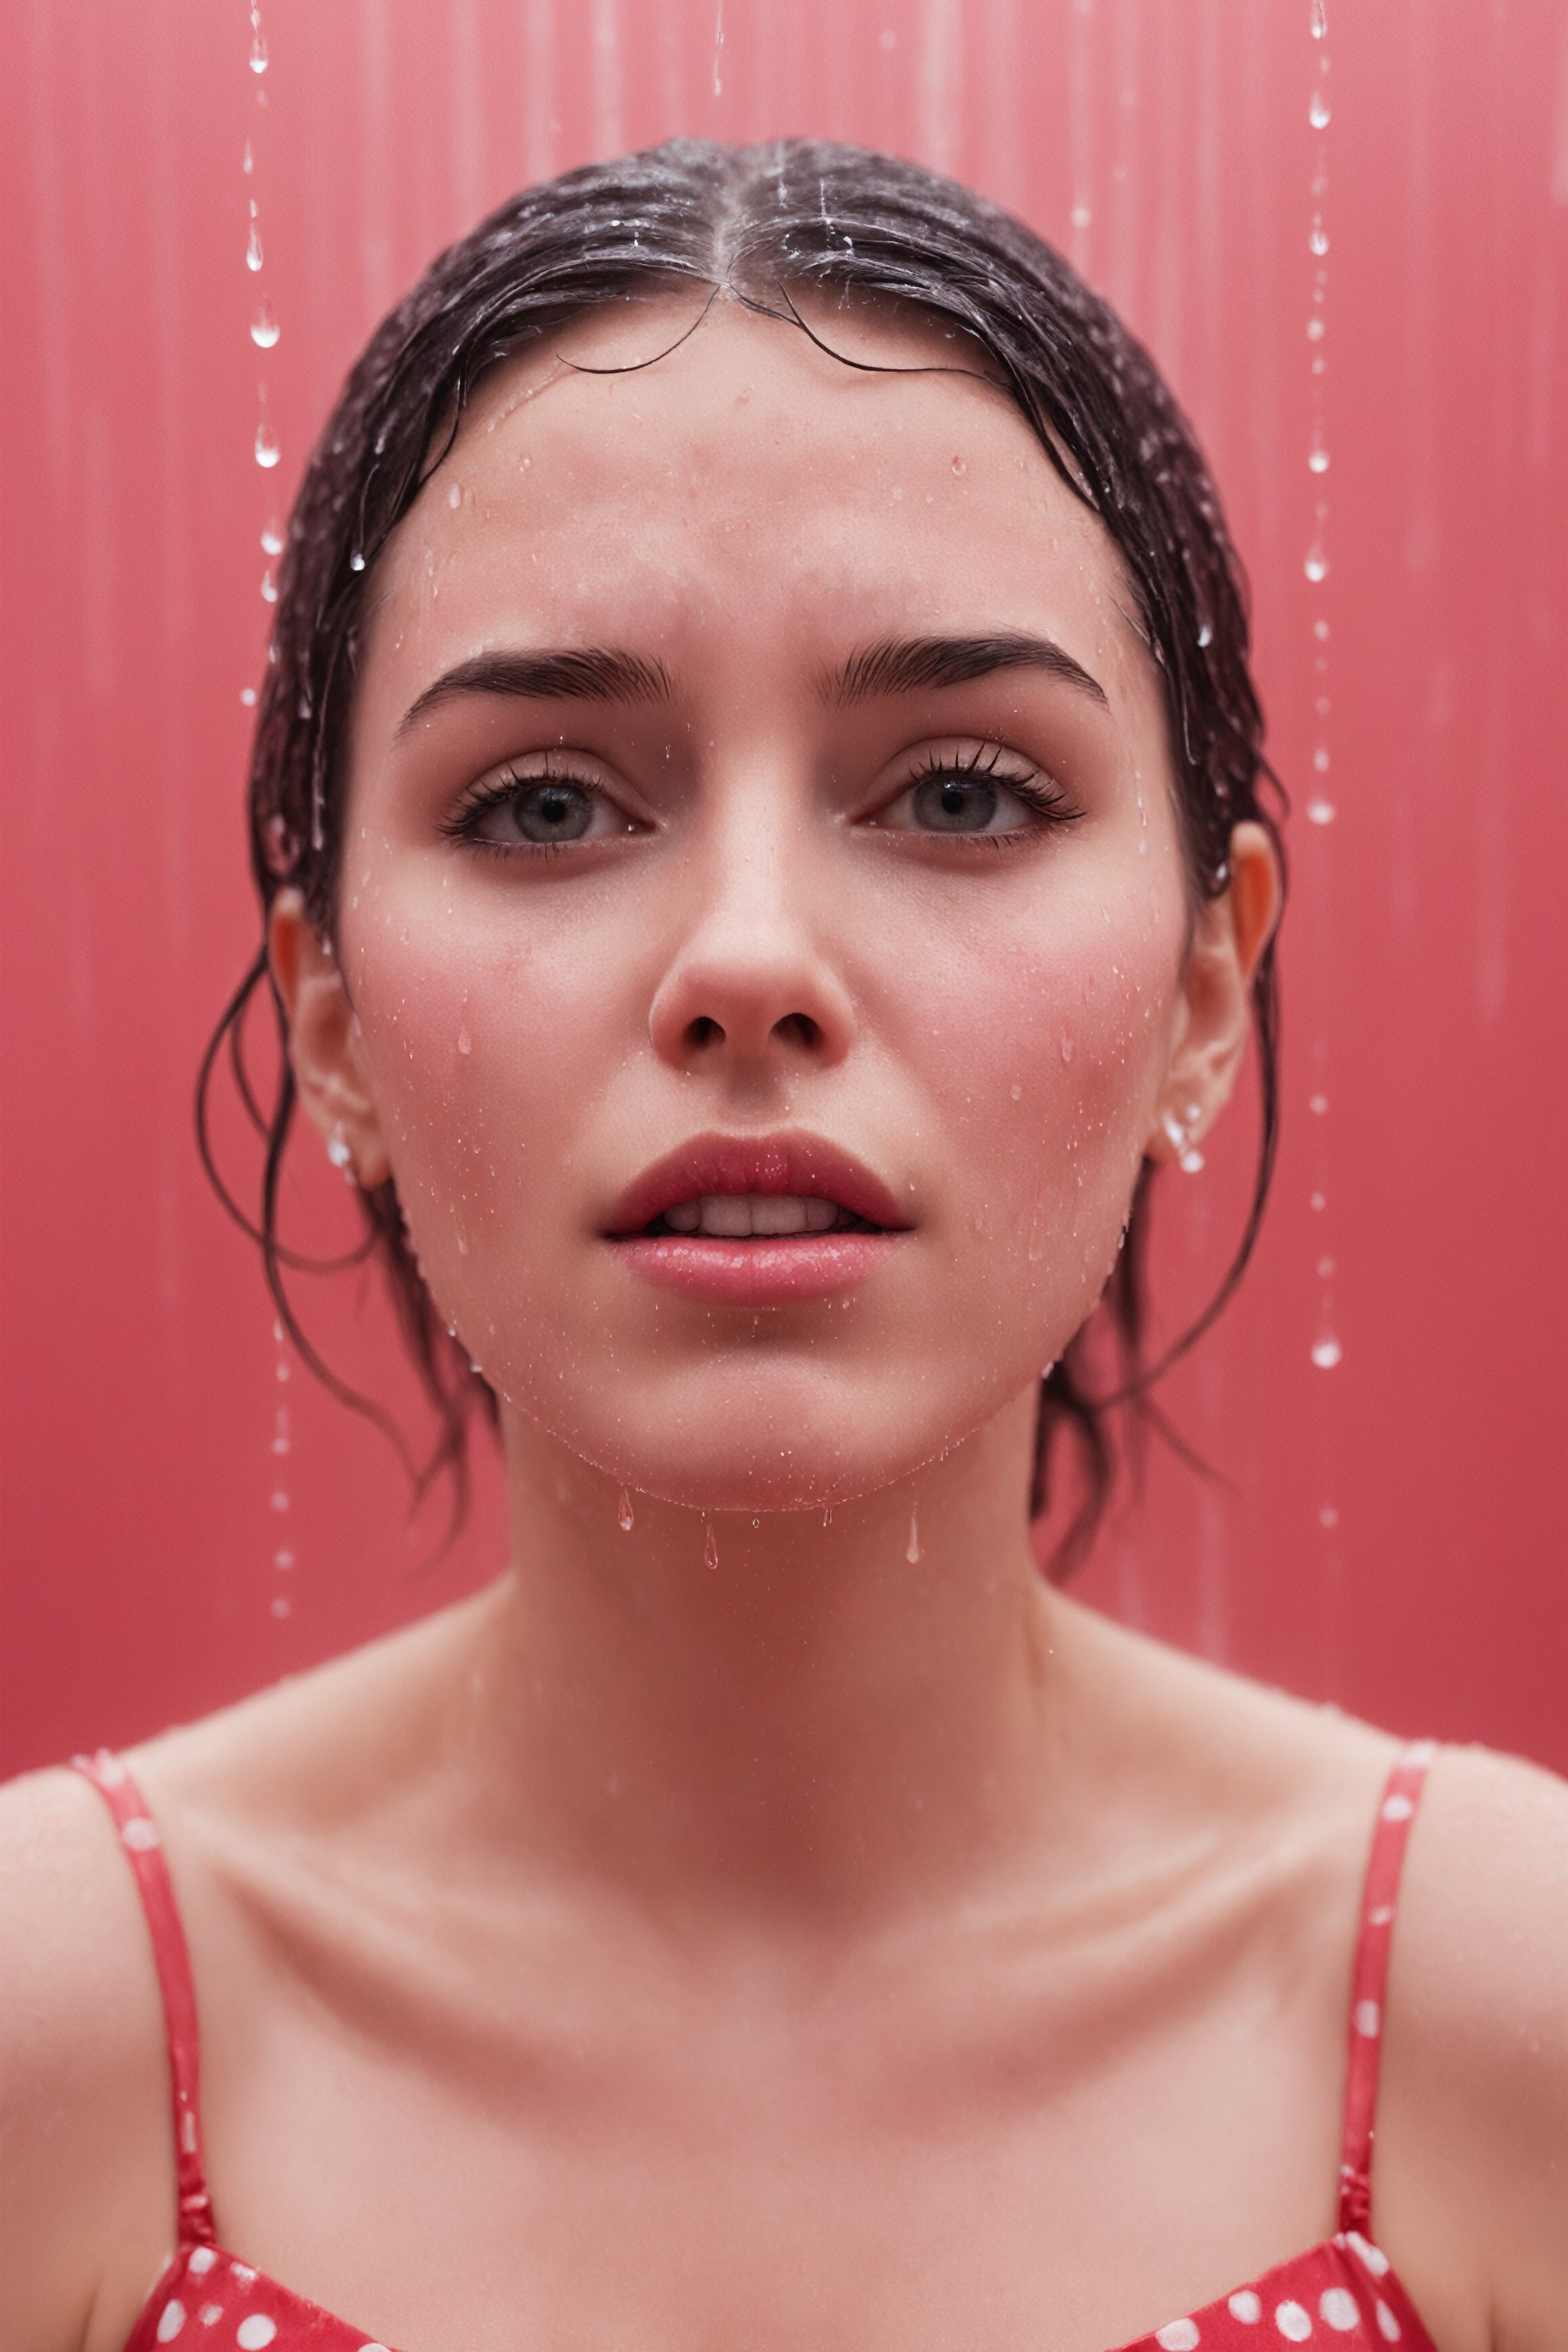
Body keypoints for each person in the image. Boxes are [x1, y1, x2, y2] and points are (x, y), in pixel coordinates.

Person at [2, 140, 1563, 2352]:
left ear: (1208, 985)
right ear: (327, 1011)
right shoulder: (45, 2040)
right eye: (547, 802)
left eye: (959, 792)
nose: (748, 962)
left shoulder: (1507, 2037)